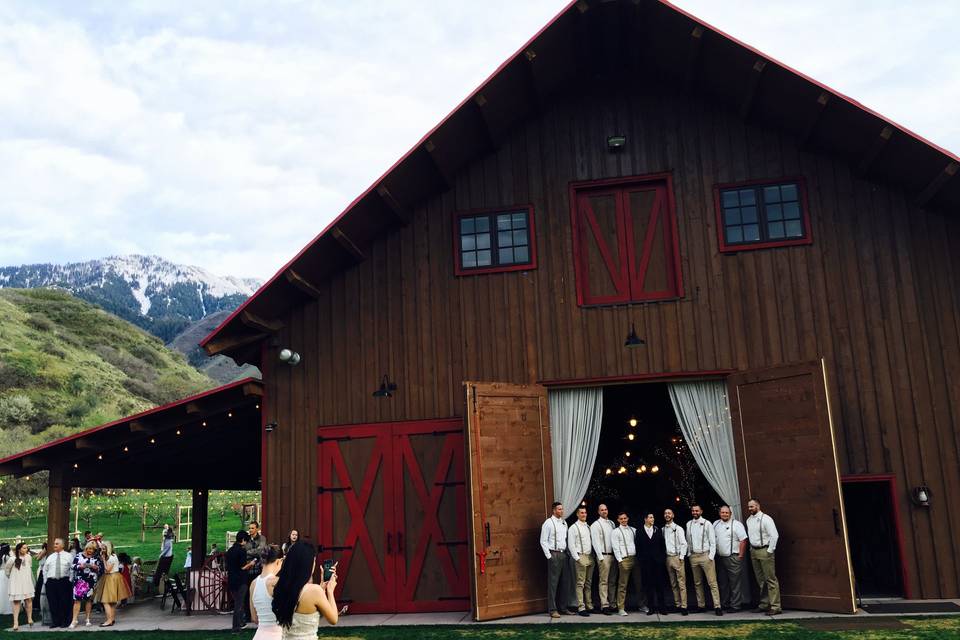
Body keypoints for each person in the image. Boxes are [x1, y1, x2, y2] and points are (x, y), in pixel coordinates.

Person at [269, 541, 339, 637]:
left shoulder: (281, 588)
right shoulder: (314, 591)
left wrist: (322, 587)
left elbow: (312, 609)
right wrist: (330, 591)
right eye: (313, 561)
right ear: (308, 564)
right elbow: (333, 619)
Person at [746, 499, 781, 616]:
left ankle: (776, 606)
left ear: (758, 506)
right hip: (754, 551)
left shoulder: (766, 519)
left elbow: (774, 535)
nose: (750, 508)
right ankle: (764, 604)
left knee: (770, 579)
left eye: (752, 506)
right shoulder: (748, 520)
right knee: (761, 580)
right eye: (749, 507)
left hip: (765, 550)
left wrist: (770, 550)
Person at [686, 504, 722, 616]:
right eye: (693, 511)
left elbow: (712, 541)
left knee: (712, 582)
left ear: (701, 511)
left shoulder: (707, 524)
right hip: (693, 556)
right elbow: (688, 540)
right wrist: (689, 554)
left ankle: (717, 606)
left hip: (706, 555)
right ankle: (701, 605)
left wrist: (711, 556)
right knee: (697, 583)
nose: (695, 512)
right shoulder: (688, 524)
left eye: (697, 510)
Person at [714, 505, 748, 612]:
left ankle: (736, 605)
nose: (724, 514)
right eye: (722, 512)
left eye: (726, 513)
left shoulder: (737, 524)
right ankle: (725, 604)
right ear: (720, 513)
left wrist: (740, 556)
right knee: (723, 582)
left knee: (735, 583)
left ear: (730, 513)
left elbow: (743, 540)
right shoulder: (716, 524)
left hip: (733, 557)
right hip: (720, 558)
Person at [538, 501, 568, 619]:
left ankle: (563, 607)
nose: (561, 511)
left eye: (562, 509)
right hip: (553, 554)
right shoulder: (548, 523)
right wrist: (549, 556)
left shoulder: (564, 523)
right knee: (553, 583)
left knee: (564, 582)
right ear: (554, 510)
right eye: (559, 509)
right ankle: (552, 609)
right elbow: (543, 541)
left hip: (563, 553)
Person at [636, 513, 668, 615]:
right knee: (649, 586)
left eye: (653, 517)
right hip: (646, 564)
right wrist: (641, 560)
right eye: (650, 517)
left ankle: (662, 608)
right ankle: (651, 608)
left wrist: (662, 559)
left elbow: (662, 546)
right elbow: (638, 547)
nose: (652, 519)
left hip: (658, 563)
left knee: (659, 585)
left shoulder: (658, 530)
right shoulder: (639, 531)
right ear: (645, 519)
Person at [250, 544, 284, 639]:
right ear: (279, 561)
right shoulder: (277, 582)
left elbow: (254, 618)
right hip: (277, 634)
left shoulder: (253, 584)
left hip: (259, 635)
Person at [612, 511, 642, 616]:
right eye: (621, 519)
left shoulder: (633, 530)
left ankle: (642, 605)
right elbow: (615, 548)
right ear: (618, 520)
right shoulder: (615, 532)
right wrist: (620, 560)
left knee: (639, 583)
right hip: (624, 560)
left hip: (635, 559)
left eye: (625, 518)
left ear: (627, 518)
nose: (623, 520)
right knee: (622, 585)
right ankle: (621, 608)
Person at [590, 503, 618, 615]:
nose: (604, 511)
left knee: (612, 581)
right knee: (603, 581)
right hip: (603, 556)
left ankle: (613, 603)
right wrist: (600, 557)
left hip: (613, 555)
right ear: (598, 512)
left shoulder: (611, 523)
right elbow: (595, 542)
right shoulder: (595, 525)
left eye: (606, 509)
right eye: (602, 510)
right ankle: (604, 605)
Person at [566, 506, 594, 616]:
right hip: (580, 556)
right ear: (577, 514)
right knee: (580, 583)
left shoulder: (588, 526)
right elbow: (571, 544)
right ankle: (581, 607)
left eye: (585, 513)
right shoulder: (573, 527)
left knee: (588, 583)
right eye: (581, 513)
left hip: (589, 556)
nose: (584, 514)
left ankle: (589, 605)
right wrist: (577, 558)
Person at [70, 541, 104, 628]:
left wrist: (95, 568)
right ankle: (74, 620)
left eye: (92, 549)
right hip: (80, 581)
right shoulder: (79, 555)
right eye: (89, 548)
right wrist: (80, 566)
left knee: (88, 600)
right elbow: (73, 566)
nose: (90, 551)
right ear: (86, 548)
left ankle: (87, 619)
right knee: (77, 600)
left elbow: (101, 570)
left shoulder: (96, 558)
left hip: (91, 581)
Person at [96, 541, 130, 627]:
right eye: (102, 548)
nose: (102, 550)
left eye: (104, 548)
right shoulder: (113, 555)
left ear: (108, 548)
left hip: (111, 577)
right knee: (112, 602)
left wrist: (103, 559)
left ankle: (109, 620)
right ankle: (112, 619)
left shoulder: (111, 558)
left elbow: (107, 570)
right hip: (113, 577)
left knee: (105, 601)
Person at [42, 538, 74, 628]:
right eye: (54, 544)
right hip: (51, 582)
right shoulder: (50, 557)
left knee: (64, 602)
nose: (54, 545)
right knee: (53, 603)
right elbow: (45, 569)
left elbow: (72, 569)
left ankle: (65, 621)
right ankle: (55, 622)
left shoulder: (68, 556)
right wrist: (46, 581)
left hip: (64, 581)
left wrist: (70, 580)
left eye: (57, 544)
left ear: (62, 545)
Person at [663, 509, 688, 615]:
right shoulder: (663, 529)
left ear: (673, 515)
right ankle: (677, 604)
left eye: (669, 513)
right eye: (665, 513)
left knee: (681, 583)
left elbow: (684, 543)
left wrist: (681, 557)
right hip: (668, 558)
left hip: (677, 557)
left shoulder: (678, 529)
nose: (667, 515)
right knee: (673, 583)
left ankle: (684, 606)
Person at [7, 542, 35, 630]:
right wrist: (13, 578)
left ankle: (29, 618)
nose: (25, 550)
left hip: (26, 581)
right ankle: (16, 622)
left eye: (26, 548)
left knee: (28, 600)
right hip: (16, 582)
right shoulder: (12, 559)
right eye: (23, 548)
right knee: (16, 602)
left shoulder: (28, 557)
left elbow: (29, 567)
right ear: (19, 549)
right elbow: (7, 570)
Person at [228, 530, 252, 632]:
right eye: (246, 541)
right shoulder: (242, 551)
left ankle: (241, 623)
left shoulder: (230, 551)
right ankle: (236, 627)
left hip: (231, 580)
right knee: (239, 604)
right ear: (242, 540)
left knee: (238, 603)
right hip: (241, 580)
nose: (246, 543)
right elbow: (243, 567)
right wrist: (251, 564)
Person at [0, 544, 11, 616]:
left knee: (2, 590)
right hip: (5, 574)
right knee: (6, 590)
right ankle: (7, 607)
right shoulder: (6, 557)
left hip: (0, 573)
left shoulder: (1, 556)